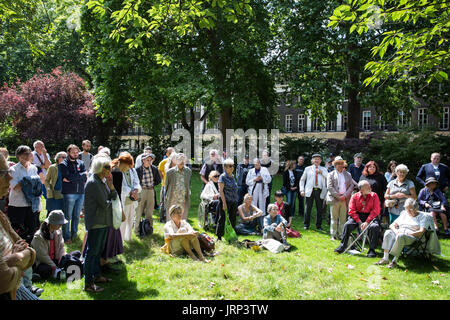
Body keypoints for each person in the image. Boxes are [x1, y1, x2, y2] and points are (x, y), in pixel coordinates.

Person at [0, 153, 38, 300]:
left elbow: (31, 252)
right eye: (3, 173)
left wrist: (10, 260)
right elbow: (3, 279)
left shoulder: (1, 217)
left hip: (16, 289)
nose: (9, 178)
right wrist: (17, 259)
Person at [83, 156, 117, 293]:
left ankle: (96, 276)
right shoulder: (93, 183)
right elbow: (105, 203)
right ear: (99, 168)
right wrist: (117, 209)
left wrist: (111, 187)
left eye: (110, 167)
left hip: (103, 221)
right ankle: (88, 284)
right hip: (96, 222)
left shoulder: (101, 181)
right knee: (92, 253)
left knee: (97, 252)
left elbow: (112, 197)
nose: (110, 169)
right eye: (107, 167)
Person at [375, 199, 433, 268]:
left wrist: (408, 234)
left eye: (410, 209)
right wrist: (396, 231)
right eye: (406, 209)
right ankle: (385, 258)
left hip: (412, 237)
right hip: (399, 232)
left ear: (416, 208)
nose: (408, 211)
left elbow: (421, 231)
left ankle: (394, 261)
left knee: (401, 236)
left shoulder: (423, 217)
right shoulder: (405, 214)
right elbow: (392, 225)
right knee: (388, 232)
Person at [334, 180, 381, 258]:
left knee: (375, 227)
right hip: (357, 216)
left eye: (369, 186)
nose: (370, 188)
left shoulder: (374, 195)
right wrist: (359, 222)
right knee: (347, 225)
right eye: (367, 187)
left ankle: (372, 249)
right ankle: (342, 246)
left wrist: (367, 222)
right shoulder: (355, 196)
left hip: (370, 216)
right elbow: (351, 211)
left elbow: (375, 210)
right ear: (361, 190)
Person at [8, 146, 40, 244]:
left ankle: (29, 253)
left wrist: (29, 181)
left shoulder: (33, 168)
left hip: (31, 205)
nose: (28, 155)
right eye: (25, 153)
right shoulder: (13, 170)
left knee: (31, 232)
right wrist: (28, 180)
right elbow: (15, 187)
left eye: (29, 153)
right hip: (18, 205)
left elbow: (37, 186)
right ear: (18, 156)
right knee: (17, 232)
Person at [59, 144, 87, 244]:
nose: (75, 154)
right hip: (69, 193)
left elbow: (85, 176)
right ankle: (66, 237)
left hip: (80, 192)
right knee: (67, 216)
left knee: (76, 216)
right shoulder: (63, 164)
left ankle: (74, 235)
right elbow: (67, 177)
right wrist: (80, 176)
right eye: (73, 153)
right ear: (68, 153)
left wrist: (73, 178)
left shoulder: (81, 163)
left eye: (76, 152)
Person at [111, 152, 141, 242]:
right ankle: (120, 240)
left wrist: (136, 190)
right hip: (123, 198)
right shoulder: (116, 171)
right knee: (122, 220)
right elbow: (121, 186)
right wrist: (131, 191)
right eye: (128, 165)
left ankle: (128, 238)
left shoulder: (132, 170)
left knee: (130, 219)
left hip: (132, 199)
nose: (130, 167)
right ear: (124, 163)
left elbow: (137, 181)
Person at [30, 210, 67, 279]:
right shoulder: (38, 236)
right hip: (43, 262)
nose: (60, 225)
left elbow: (62, 247)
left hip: (55, 259)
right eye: (59, 223)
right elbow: (42, 256)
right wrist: (54, 266)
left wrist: (61, 259)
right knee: (46, 270)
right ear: (52, 223)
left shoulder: (58, 232)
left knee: (71, 258)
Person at [326, 156, 355, 240]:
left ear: (343, 164)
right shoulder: (330, 174)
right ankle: (333, 234)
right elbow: (329, 187)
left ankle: (341, 234)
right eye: (338, 163)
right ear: (335, 165)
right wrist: (338, 196)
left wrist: (345, 196)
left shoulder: (348, 174)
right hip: (335, 199)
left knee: (343, 218)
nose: (339, 165)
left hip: (344, 199)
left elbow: (351, 185)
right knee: (334, 218)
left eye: (341, 163)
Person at [299, 153, 328, 230]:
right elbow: (302, 180)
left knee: (319, 209)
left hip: (319, 190)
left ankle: (318, 225)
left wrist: (321, 172)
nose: (317, 160)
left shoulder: (324, 169)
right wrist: (302, 190)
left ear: (321, 160)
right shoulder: (307, 169)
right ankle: (306, 225)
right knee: (308, 208)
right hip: (310, 191)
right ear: (312, 160)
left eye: (318, 159)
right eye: (315, 159)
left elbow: (328, 178)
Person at [135, 153, 161, 232]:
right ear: (143, 160)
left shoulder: (154, 168)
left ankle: (149, 229)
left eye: (151, 160)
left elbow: (158, 180)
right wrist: (141, 186)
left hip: (150, 191)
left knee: (149, 211)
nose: (149, 161)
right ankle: (137, 230)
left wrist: (152, 184)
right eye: (147, 160)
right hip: (141, 191)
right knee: (139, 211)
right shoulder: (138, 169)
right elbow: (135, 181)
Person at [216, 159, 239, 241]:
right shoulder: (222, 177)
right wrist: (224, 203)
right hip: (225, 201)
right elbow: (221, 191)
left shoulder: (232, 176)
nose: (232, 167)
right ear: (225, 167)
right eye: (230, 166)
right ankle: (219, 237)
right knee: (222, 218)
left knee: (233, 218)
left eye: (233, 166)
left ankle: (231, 235)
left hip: (233, 201)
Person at [164, 153, 191, 221]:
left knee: (182, 216)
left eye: (183, 160)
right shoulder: (170, 172)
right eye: (180, 160)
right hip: (173, 197)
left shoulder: (188, 171)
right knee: (171, 214)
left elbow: (188, 184)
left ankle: (182, 229)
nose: (182, 162)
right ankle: (170, 229)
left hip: (183, 197)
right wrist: (166, 195)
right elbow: (166, 185)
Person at [45, 152, 67, 216]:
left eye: (66, 157)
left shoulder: (68, 167)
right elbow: (46, 180)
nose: (65, 159)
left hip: (64, 194)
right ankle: (47, 226)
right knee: (51, 214)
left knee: (63, 215)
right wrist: (49, 189)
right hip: (54, 194)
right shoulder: (52, 167)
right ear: (58, 158)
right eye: (63, 157)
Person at [158, 147, 175, 222]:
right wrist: (163, 178)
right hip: (165, 185)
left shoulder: (176, 162)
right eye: (170, 153)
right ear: (167, 154)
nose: (172, 154)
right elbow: (159, 170)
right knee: (163, 202)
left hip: (174, 185)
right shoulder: (163, 162)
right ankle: (162, 217)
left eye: (173, 152)